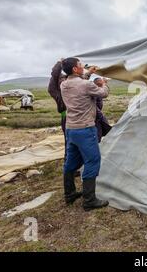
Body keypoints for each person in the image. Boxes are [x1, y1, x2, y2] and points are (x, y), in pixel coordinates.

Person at [60, 57, 110, 211]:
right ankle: (89, 200)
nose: (82, 66)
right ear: (75, 69)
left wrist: (88, 73)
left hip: (71, 129)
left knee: (70, 161)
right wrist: (104, 84)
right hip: (85, 129)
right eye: (80, 65)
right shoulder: (85, 85)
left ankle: (70, 194)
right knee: (93, 160)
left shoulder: (63, 84)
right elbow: (103, 94)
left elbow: (80, 83)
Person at [90, 74, 112, 142]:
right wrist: (102, 117)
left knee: (97, 136)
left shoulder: (95, 90)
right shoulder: (95, 92)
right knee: (96, 137)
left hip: (96, 117)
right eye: (101, 82)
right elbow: (105, 93)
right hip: (96, 118)